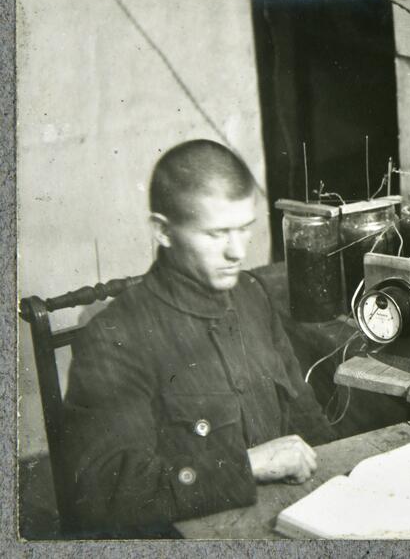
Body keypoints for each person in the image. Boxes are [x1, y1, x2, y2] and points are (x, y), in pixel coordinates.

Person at [61, 139, 333, 537]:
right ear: (163, 231)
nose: (237, 252)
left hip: (290, 519)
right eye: (216, 234)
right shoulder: (117, 335)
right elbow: (103, 491)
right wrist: (247, 466)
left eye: (244, 229)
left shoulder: (252, 294)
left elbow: (305, 415)